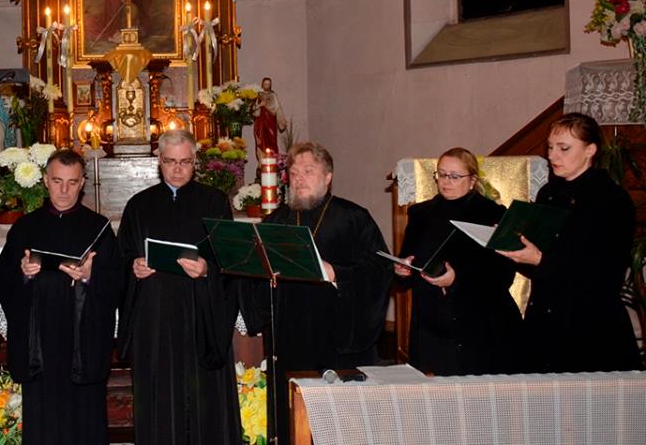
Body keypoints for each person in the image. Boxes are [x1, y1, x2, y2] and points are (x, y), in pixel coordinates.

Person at [240, 142, 392, 443]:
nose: (299, 179)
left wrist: (337, 274)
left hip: (339, 337)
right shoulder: (278, 220)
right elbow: (252, 274)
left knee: (342, 425)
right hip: (291, 338)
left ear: (328, 177)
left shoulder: (354, 218)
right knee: (293, 419)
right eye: (294, 172)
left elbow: (379, 270)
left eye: (308, 171)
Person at [117, 129, 242, 444]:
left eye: (185, 162)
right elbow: (121, 257)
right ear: (159, 160)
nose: (177, 169)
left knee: (204, 401)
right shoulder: (139, 205)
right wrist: (134, 266)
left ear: (195, 161)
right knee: (159, 397)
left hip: (200, 314)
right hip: (155, 318)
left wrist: (207, 269)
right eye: (170, 161)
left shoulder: (214, 201)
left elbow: (231, 261)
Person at [0, 149, 121, 444]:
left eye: (72, 182)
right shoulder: (25, 227)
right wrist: (24, 274)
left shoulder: (99, 228)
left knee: (85, 422)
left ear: (82, 183)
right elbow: (2, 278)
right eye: (58, 181)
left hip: (82, 342)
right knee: (44, 422)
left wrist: (90, 276)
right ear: (46, 181)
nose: (64, 190)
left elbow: (117, 283)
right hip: (39, 343)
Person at [499, 113, 641, 373]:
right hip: (544, 322)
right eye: (550, 147)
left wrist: (540, 260)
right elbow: (538, 261)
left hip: (587, 327)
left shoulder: (611, 200)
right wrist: (512, 245)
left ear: (590, 150)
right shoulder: (549, 193)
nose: (553, 155)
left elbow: (603, 275)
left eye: (564, 148)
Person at [394, 148, 522, 375]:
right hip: (430, 322)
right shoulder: (420, 213)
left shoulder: (492, 214)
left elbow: (502, 273)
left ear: (472, 180)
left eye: (454, 176)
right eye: (441, 174)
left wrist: (457, 279)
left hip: (476, 322)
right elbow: (409, 259)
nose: (446, 181)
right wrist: (402, 270)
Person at [252, 77, 287, 163]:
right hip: (261, 123)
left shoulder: (273, 95)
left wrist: (281, 121)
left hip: (271, 122)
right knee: (261, 141)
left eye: (268, 84)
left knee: (272, 141)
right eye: (265, 84)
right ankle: (261, 162)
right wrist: (260, 105)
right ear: (262, 84)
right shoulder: (258, 95)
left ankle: (273, 160)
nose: (266, 85)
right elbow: (253, 110)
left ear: (270, 85)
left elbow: (278, 108)